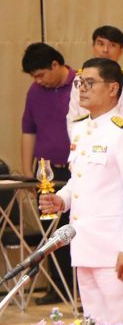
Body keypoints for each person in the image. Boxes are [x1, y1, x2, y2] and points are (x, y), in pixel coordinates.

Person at [40, 58, 123, 325]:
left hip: (115, 248)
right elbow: (81, 179)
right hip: (84, 245)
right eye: (80, 82)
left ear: (113, 88)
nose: (82, 88)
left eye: (90, 83)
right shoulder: (81, 129)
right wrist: (61, 199)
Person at [20, 43, 76, 305]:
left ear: (56, 65)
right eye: (34, 77)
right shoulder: (34, 91)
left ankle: (81, 288)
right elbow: (28, 130)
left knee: (77, 229)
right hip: (45, 173)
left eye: (41, 74)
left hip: (75, 170)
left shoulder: (79, 84)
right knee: (51, 233)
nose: (38, 81)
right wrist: (26, 171)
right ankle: (59, 287)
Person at [68, 26, 123, 127]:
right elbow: (72, 118)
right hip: (82, 134)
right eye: (100, 44)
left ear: (121, 50)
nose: (105, 50)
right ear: (93, 46)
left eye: (112, 45)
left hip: (115, 135)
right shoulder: (79, 78)